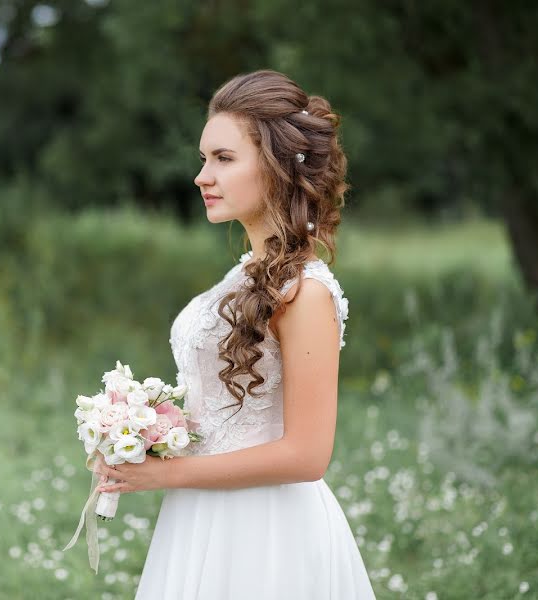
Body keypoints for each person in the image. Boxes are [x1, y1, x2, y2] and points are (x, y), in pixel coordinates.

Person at [93, 70, 376, 599]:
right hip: (201, 514)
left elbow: (308, 456)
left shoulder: (306, 294)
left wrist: (165, 474)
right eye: (204, 159)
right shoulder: (247, 274)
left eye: (223, 159)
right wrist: (149, 432)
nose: (202, 176)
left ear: (275, 167)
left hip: (267, 533)